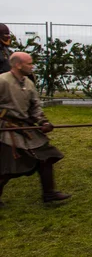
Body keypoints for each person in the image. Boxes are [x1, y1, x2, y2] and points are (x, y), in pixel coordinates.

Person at [0, 52, 71, 206]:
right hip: (7, 131)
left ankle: (49, 194)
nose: (32, 66)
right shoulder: (2, 81)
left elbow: (35, 106)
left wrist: (43, 121)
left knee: (46, 157)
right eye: (29, 63)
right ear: (18, 65)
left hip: (26, 128)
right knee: (6, 169)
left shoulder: (28, 82)